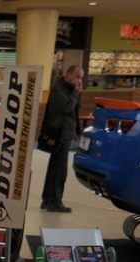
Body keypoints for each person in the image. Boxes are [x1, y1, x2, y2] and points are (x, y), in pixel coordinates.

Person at [40, 65, 83, 213]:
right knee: (59, 170)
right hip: (59, 133)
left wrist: (77, 93)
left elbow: (77, 107)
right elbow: (66, 107)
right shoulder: (58, 89)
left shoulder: (70, 90)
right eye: (77, 77)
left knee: (55, 166)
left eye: (81, 78)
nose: (79, 80)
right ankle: (55, 202)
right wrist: (76, 93)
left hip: (65, 132)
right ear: (68, 74)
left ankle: (47, 199)